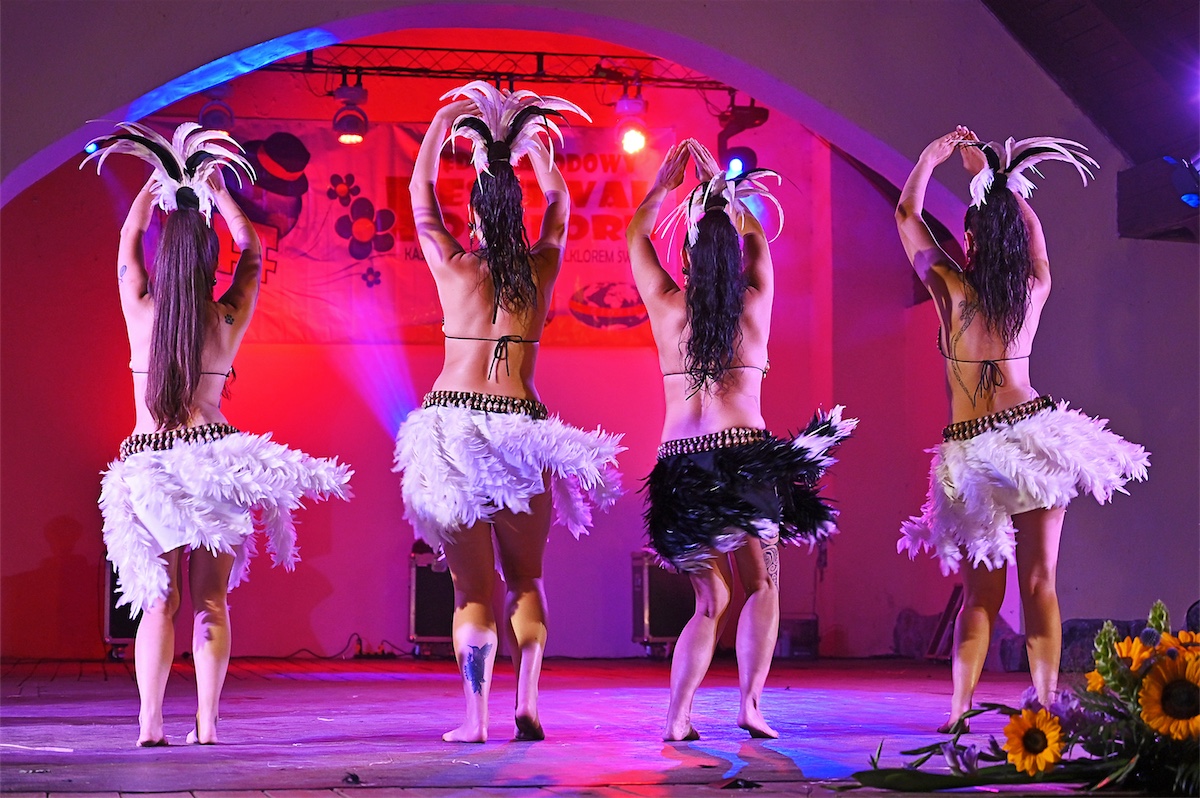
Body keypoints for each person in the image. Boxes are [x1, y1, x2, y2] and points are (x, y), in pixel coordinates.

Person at [87, 122, 353, 746]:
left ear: (165, 259)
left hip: (151, 465)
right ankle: (206, 722)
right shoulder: (227, 316)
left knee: (159, 602)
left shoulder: (142, 309)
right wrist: (219, 193)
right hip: (215, 463)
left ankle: (150, 722)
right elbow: (252, 252)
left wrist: (155, 188)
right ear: (209, 262)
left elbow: (126, 244)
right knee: (211, 602)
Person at [894, 127, 1149, 732]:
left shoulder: (952, 290)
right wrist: (1002, 187)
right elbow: (1039, 248)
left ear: (970, 239)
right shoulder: (1033, 290)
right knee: (1039, 582)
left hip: (971, 452)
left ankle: (959, 710)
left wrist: (931, 157)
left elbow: (907, 214)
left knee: (981, 595)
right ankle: (1045, 698)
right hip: (1033, 438)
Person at [395, 82, 623, 744]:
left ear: (474, 213)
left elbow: (419, 196)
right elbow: (560, 203)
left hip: (454, 429)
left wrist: (442, 121)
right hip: (522, 429)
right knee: (526, 577)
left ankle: (475, 719)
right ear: (514, 212)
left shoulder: (455, 268)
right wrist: (533, 149)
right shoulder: (541, 269)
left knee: (472, 592)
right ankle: (527, 703)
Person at [627, 140, 855, 741]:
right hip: (745, 455)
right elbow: (758, 242)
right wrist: (725, 194)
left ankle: (678, 717)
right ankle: (750, 705)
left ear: (687, 256)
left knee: (709, 600)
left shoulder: (668, 309)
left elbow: (635, 237)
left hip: (679, 462)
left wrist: (665, 185)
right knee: (762, 584)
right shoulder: (754, 304)